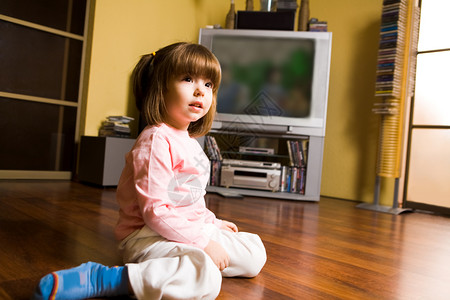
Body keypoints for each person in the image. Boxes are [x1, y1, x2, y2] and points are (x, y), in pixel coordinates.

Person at [32, 42, 267, 300]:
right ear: (161, 87)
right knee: (206, 278)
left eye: (209, 84)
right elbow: (155, 212)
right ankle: (109, 279)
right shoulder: (156, 140)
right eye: (188, 79)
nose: (201, 91)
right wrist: (203, 244)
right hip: (150, 235)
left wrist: (213, 224)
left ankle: (180, 268)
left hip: (187, 228)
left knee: (255, 252)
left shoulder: (191, 144)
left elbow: (190, 201)